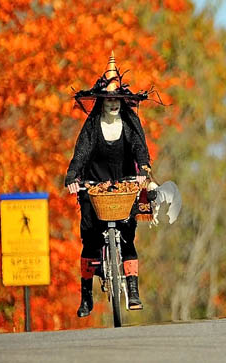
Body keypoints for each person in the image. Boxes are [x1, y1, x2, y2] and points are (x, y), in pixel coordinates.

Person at [65, 52, 152, 317]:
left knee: (127, 237)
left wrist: (143, 170)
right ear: (101, 103)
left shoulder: (129, 123)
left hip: (125, 187)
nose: (113, 104)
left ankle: (133, 291)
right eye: (109, 100)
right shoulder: (92, 126)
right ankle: (86, 296)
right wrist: (72, 178)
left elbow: (140, 148)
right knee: (90, 240)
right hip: (94, 188)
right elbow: (80, 153)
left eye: (117, 99)